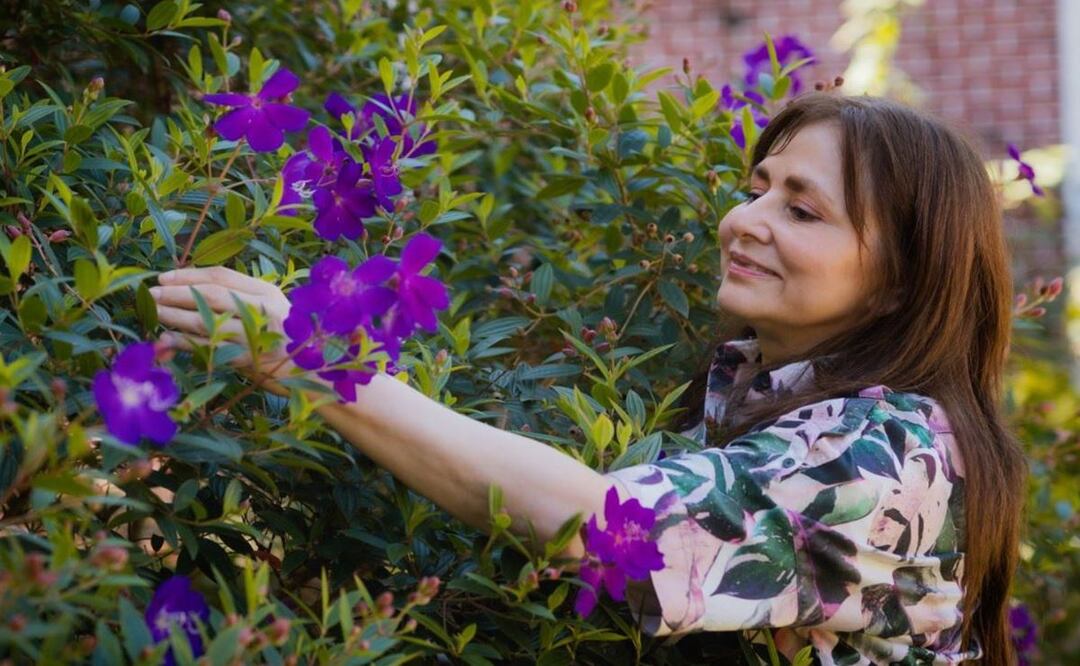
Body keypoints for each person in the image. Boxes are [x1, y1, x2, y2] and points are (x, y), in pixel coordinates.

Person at [149, 92, 1026, 665]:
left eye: (800, 209)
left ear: (904, 279)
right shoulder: (755, 390)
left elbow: (601, 527)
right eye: (756, 188)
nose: (743, 220)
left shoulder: (891, 453)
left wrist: (308, 355)